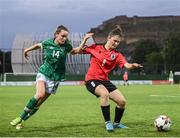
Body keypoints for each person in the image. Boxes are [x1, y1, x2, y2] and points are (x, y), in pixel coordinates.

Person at [10, 25, 82, 130]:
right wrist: (26, 50)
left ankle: (23, 120)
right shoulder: (48, 43)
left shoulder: (67, 46)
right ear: (56, 35)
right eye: (62, 36)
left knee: (38, 104)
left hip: (55, 78)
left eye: (66, 37)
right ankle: (19, 117)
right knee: (40, 94)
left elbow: (75, 52)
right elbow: (38, 45)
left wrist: (84, 41)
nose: (64, 38)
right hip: (44, 72)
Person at [78, 26, 143, 132]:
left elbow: (127, 65)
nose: (116, 43)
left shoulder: (117, 55)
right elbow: (77, 51)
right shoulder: (96, 47)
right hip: (91, 79)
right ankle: (108, 123)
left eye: (118, 42)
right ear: (109, 38)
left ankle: (116, 123)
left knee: (122, 102)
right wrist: (85, 39)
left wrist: (133, 65)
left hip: (104, 80)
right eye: (115, 41)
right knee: (104, 94)